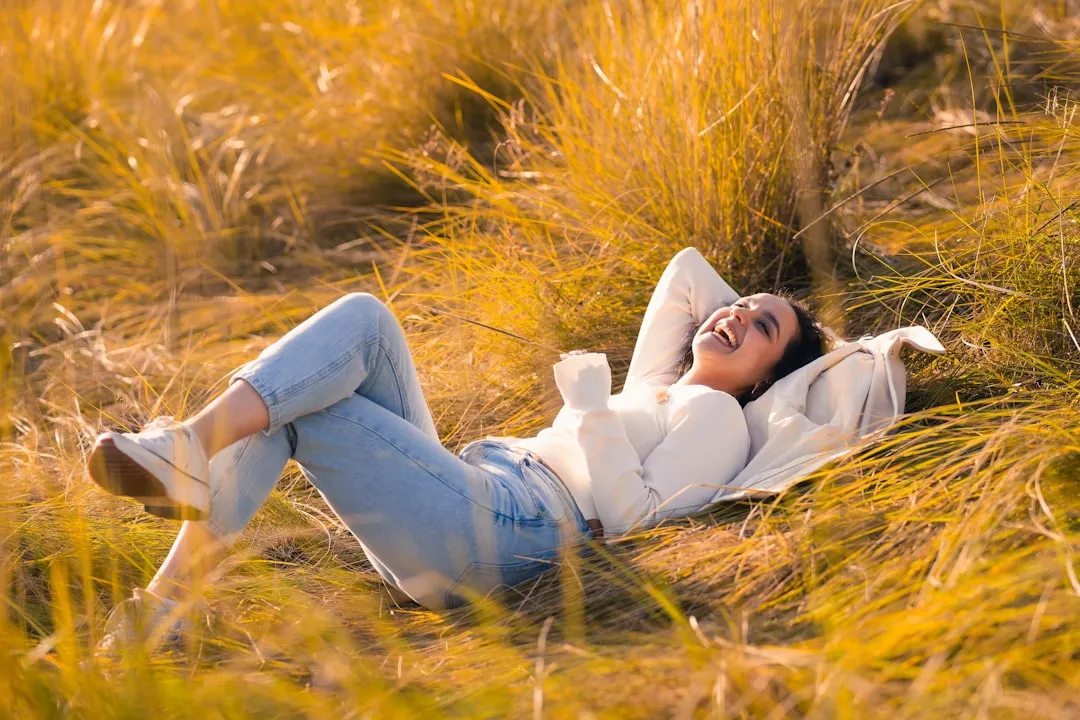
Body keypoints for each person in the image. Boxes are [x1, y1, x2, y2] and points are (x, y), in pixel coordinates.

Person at [86, 247, 826, 648]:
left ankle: (178, 509)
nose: (733, 315)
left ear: (765, 379)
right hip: (471, 490)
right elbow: (688, 269)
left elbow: (637, 516)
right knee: (362, 329)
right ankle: (168, 575)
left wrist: (592, 409)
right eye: (738, 305)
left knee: (298, 403)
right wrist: (761, 321)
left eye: (761, 329)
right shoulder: (659, 385)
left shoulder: (719, 419)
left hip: (512, 530)